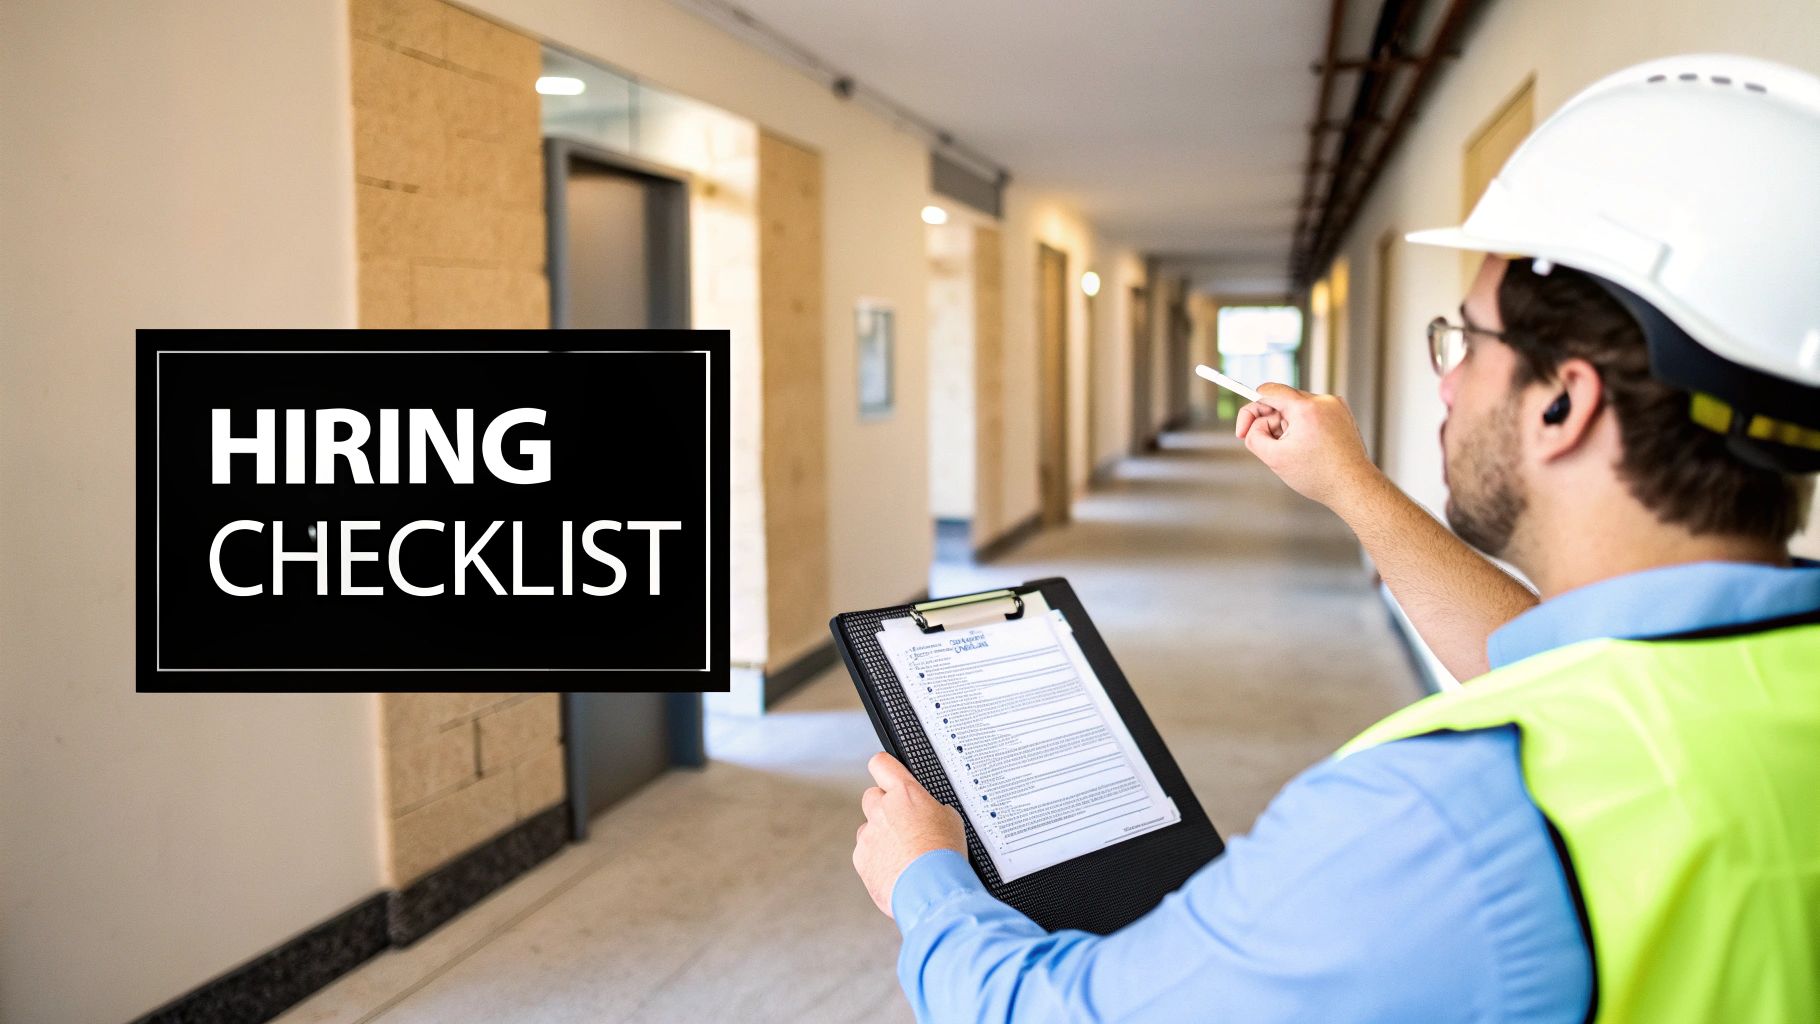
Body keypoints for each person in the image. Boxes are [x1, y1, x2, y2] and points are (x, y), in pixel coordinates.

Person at [850, 54, 1820, 1022]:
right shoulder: (1754, 678)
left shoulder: (1435, 823)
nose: (1443, 382)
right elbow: (1566, 672)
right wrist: (1350, 487)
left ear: (1563, 399)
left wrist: (926, 882)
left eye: (1464, 342)